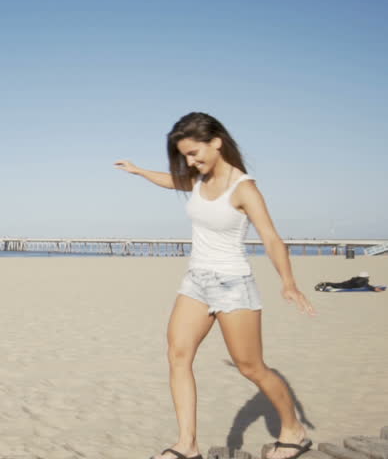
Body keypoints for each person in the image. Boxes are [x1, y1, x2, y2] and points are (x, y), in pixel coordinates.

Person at [114, 112, 317, 459]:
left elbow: (270, 237)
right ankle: (186, 445)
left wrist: (288, 283)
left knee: (251, 367)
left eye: (194, 153)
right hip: (196, 280)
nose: (190, 162)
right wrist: (139, 171)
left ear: (217, 143)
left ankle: (294, 430)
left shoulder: (243, 188)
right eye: (185, 156)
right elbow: (172, 181)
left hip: (232, 283)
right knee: (178, 355)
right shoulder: (196, 179)